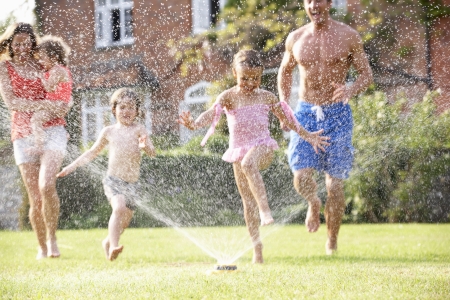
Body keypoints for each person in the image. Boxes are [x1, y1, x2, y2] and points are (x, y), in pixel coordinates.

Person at [178, 49, 329, 263]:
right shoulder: (228, 96)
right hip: (238, 151)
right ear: (234, 74)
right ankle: (257, 249)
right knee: (247, 202)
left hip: (262, 148)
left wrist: (309, 136)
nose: (250, 83)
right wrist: (194, 124)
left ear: (261, 75)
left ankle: (265, 211)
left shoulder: (266, 97)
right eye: (244, 78)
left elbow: (289, 119)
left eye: (255, 78)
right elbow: (211, 113)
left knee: (249, 164)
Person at [277, 0, 373, 255]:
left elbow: (367, 75)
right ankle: (313, 202)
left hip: (337, 113)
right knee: (301, 176)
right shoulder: (296, 38)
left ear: (329, 2)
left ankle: (332, 240)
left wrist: (351, 88)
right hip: (306, 112)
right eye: (308, 0)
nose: (313, 5)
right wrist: (284, 107)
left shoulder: (348, 35)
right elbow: (285, 72)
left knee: (335, 185)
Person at [57, 88, 156, 261]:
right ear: (114, 110)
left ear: (137, 111)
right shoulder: (109, 132)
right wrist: (70, 167)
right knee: (119, 208)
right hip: (113, 180)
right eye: (122, 107)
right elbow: (91, 152)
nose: (126, 111)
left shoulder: (139, 129)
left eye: (131, 107)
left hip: (133, 183)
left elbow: (152, 152)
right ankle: (114, 246)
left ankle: (108, 242)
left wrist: (145, 146)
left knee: (124, 221)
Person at [0, 23, 71, 259]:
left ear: (33, 43)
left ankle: (52, 238)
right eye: (17, 42)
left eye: (26, 42)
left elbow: (63, 91)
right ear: (10, 43)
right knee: (35, 197)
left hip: (53, 129)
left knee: (47, 185)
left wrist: (63, 106)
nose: (22, 47)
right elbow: (12, 104)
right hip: (22, 133)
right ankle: (42, 246)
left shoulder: (43, 62)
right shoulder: (4, 67)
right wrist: (47, 106)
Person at [28, 36, 72, 155]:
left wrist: (41, 77)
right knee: (42, 119)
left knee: (36, 119)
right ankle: (64, 133)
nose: (40, 62)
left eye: (42, 58)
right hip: (58, 105)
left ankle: (39, 146)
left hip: (56, 105)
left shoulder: (57, 70)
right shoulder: (59, 69)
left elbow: (50, 88)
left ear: (54, 57)